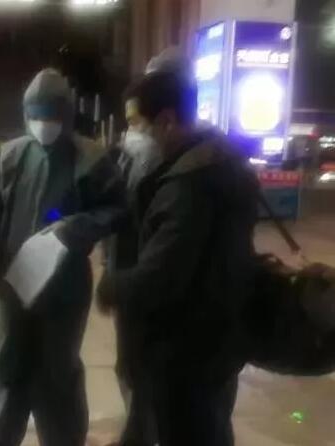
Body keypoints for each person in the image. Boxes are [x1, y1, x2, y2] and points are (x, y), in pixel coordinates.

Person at [96, 71, 259, 446]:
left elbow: (162, 275)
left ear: (167, 121)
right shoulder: (219, 163)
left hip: (187, 351)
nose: (132, 134)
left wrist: (112, 287)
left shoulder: (190, 185)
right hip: (214, 341)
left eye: (137, 123)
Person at [0, 68, 126, 446]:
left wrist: (77, 226)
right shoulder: (10, 155)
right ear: (25, 114)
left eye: (51, 117)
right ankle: (1, 435)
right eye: (36, 116)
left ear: (67, 114)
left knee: (57, 368)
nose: (43, 125)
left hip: (65, 282)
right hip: (14, 278)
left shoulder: (90, 158)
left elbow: (116, 209)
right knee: (8, 361)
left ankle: (62, 438)